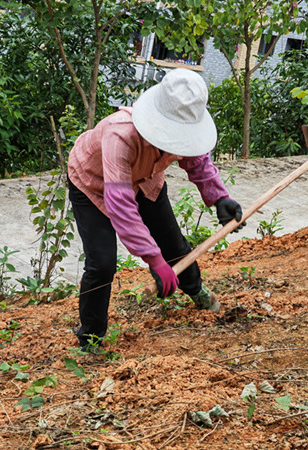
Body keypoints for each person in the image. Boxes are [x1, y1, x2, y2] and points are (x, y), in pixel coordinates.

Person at [67, 68, 243, 348]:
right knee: (101, 264)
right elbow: (121, 205)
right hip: (93, 183)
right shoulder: (120, 135)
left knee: (174, 244)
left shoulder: (184, 132)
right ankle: (91, 336)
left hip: (146, 180)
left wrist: (219, 198)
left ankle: (196, 290)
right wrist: (154, 260)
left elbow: (197, 160)